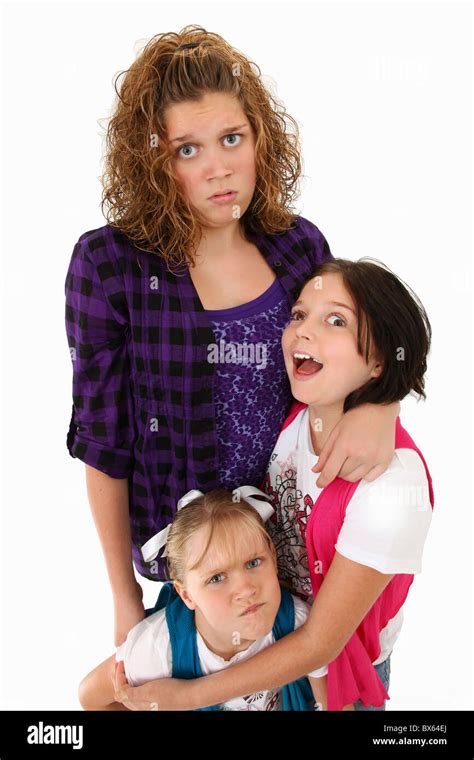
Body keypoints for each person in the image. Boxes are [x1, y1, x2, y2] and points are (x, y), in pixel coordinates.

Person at [65, 25, 400, 649]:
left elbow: (361, 348)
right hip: (199, 567)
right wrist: (122, 596)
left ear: (258, 138)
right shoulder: (109, 266)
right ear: (152, 160)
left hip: (306, 549)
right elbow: (102, 444)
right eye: (186, 149)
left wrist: (384, 404)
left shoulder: (298, 245)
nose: (219, 168)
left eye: (231, 139)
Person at [113, 258, 434, 711]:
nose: (303, 330)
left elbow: (321, 644)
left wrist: (190, 696)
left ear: (380, 357)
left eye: (335, 320)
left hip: (339, 673)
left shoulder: (392, 484)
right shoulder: (296, 414)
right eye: (299, 315)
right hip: (257, 635)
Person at [78, 486, 331, 711]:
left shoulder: (295, 621)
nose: (246, 589)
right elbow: (91, 696)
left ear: (273, 558)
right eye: (217, 578)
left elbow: (327, 697)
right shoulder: (156, 652)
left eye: (253, 562)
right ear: (186, 594)